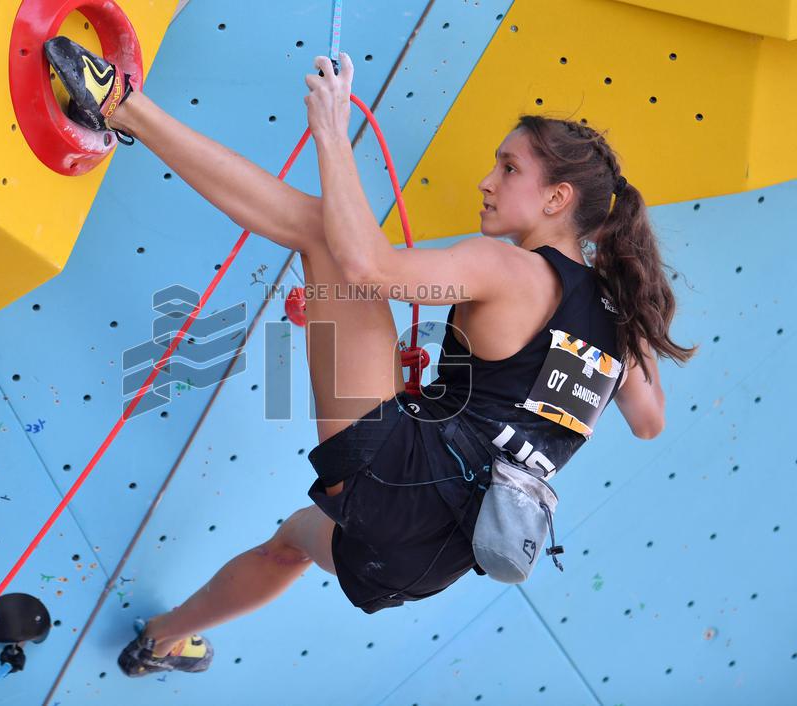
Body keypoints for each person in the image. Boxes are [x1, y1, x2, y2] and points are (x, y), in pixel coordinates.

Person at [43, 37, 697, 677]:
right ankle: (159, 643)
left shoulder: (507, 267)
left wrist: (331, 129)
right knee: (294, 541)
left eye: (509, 168)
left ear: (557, 200)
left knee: (320, 234)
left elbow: (366, 264)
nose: (487, 181)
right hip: (434, 557)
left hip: (405, 482)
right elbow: (647, 421)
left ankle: (121, 106)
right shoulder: (625, 322)